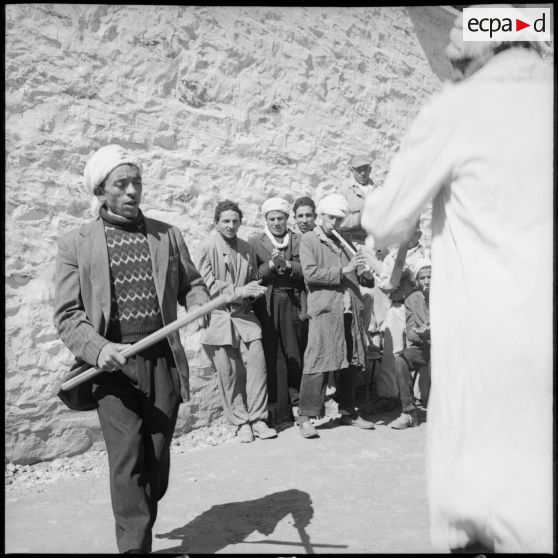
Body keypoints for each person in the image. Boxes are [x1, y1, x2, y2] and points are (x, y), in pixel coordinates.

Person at [361, 11, 552, 553]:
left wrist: (365, 209)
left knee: (485, 503)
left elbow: (387, 219)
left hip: (492, 342)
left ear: (478, 51)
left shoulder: (461, 106)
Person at [53, 144, 211, 554]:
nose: (131, 191)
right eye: (120, 184)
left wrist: (197, 302)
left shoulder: (167, 235)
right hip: (110, 366)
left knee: (154, 462)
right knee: (126, 462)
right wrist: (98, 347)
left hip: (161, 360)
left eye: (136, 182)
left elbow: (191, 284)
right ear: (101, 191)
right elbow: (68, 314)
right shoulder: (76, 244)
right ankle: (134, 547)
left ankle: (140, 516)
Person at [196, 200, 277, 443]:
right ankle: (242, 422)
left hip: (245, 317)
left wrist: (257, 284)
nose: (231, 226)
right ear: (216, 223)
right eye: (226, 221)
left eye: (235, 221)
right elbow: (204, 284)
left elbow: (252, 278)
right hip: (219, 319)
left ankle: (259, 419)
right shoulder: (206, 246)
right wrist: (240, 290)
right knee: (228, 374)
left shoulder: (245, 248)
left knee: (257, 367)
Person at [297, 193, 376, 438]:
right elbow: (310, 274)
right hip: (325, 309)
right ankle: (306, 416)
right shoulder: (310, 239)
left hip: (349, 307)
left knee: (351, 361)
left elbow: (358, 276)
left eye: (339, 219)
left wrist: (365, 272)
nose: (335, 223)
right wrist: (345, 269)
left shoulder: (344, 241)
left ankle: (348, 411)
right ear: (321, 216)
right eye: (331, 218)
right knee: (318, 359)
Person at [249, 197, 307, 426]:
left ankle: (298, 405)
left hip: (292, 301)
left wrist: (289, 266)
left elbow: (308, 270)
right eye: (271, 218)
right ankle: (275, 408)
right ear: (266, 219)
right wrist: (271, 266)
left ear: (287, 219)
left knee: (294, 353)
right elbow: (253, 275)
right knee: (272, 355)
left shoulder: (300, 241)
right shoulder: (255, 243)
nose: (276, 223)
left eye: (280, 218)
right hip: (268, 302)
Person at [370, 223, 426, 413]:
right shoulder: (391, 257)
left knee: (416, 351)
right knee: (391, 353)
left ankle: (417, 397)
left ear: (418, 234)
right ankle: (388, 395)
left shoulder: (425, 256)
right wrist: (394, 279)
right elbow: (385, 284)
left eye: (409, 234)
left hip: (417, 308)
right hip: (396, 306)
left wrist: (411, 275)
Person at [390, 260, 431, 430]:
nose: (427, 282)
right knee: (401, 361)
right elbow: (410, 331)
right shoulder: (412, 299)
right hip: (423, 347)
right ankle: (409, 412)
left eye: (430, 277)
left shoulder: (449, 296)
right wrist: (421, 333)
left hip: (446, 349)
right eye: (422, 278)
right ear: (417, 281)